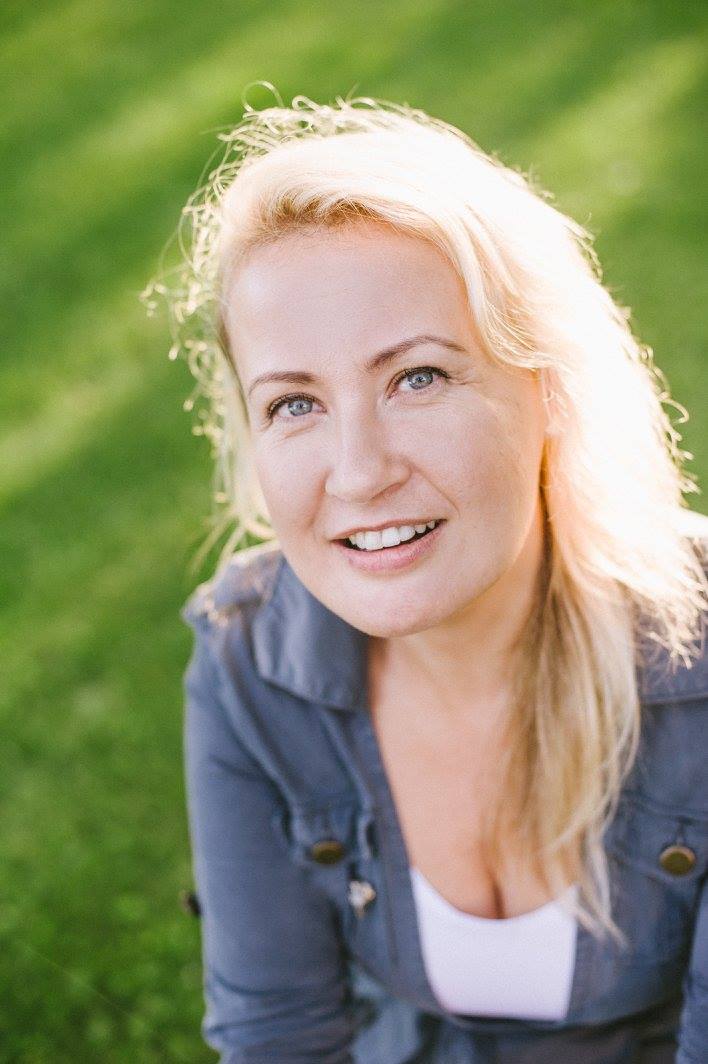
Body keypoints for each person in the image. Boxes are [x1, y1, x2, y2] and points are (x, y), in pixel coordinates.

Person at [142, 91, 708, 1062]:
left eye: (419, 377)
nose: (359, 472)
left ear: (549, 388)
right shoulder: (247, 662)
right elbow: (278, 1036)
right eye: (295, 403)